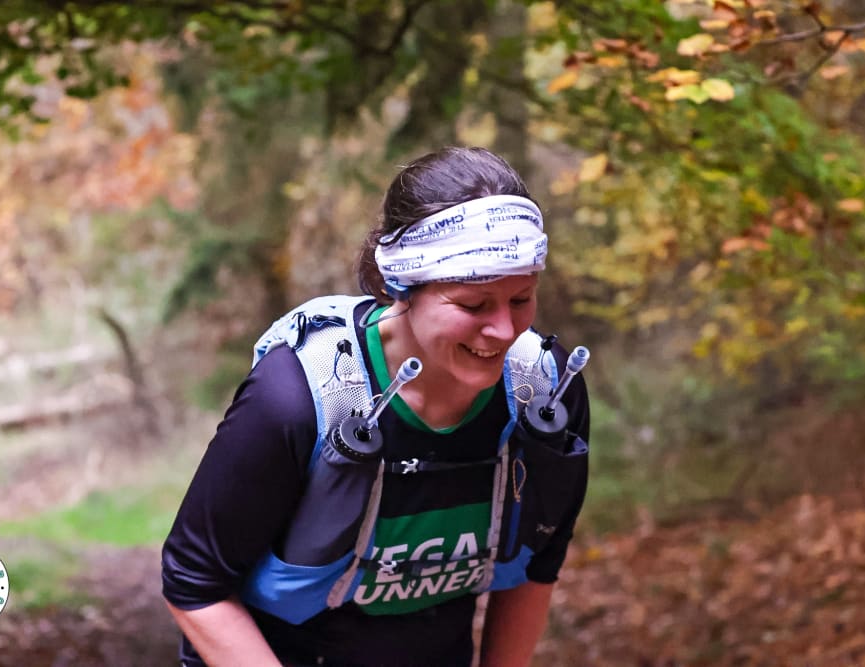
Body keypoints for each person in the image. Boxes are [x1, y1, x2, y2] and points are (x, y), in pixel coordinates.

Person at [161, 146, 590, 667]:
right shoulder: (297, 398)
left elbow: (539, 563)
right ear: (400, 287)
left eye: (521, 299)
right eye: (473, 305)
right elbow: (194, 581)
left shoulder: (545, 392)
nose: (503, 330)